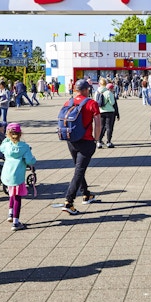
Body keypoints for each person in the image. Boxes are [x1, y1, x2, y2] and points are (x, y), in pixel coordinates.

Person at [61, 79, 101, 215]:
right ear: (85, 90)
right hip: (86, 141)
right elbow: (98, 124)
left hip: (71, 140)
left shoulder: (68, 102)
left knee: (79, 168)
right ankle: (69, 201)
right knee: (79, 171)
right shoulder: (91, 103)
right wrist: (96, 139)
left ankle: (86, 194)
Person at [0, 123, 36, 231]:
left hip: (7, 174)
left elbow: (0, 148)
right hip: (18, 176)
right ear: (20, 134)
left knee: (12, 194)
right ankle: (16, 222)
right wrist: (33, 160)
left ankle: (10, 213)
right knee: (17, 198)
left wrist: (6, 140)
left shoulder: (6, 145)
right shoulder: (24, 147)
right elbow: (29, 160)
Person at [97, 82, 120, 148]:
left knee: (101, 126)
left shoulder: (98, 92)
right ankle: (109, 142)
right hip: (109, 112)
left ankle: (99, 142)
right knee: (109, 127)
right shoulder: (109, 93)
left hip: (101, 111)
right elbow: (112, 102)